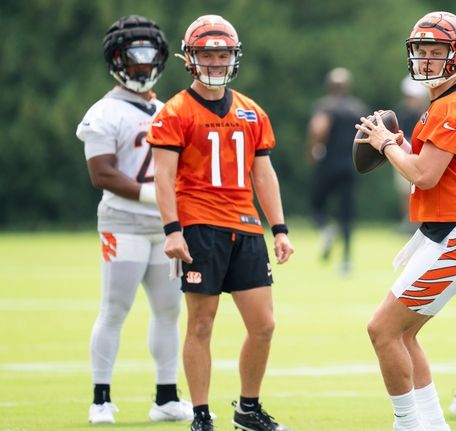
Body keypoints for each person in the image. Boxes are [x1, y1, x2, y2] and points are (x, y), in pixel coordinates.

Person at [148, 15, 294, 431]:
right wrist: (172, 230)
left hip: (245, 225)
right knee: (200, 322)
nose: (215, 61)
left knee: (264, 325)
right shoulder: (175, 112)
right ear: (190, 58)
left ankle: (248, 408)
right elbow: (163, 176)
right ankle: (199, 414)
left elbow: (263, 173)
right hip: (198, 226)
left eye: (222, 54)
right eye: (207, 54)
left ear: (234, 56)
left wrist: (279, 229)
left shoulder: (252, 111)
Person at [355, 11, 456, 431]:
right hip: (446, 234)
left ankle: (408, 424)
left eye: (437, 52)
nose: (427, 60)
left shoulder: (453, 104)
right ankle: (431, 424)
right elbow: (427, 167)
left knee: (382, 330)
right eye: (422, 51)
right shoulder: (444, 104)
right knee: (401, 334)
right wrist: (399, 144)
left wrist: (385, 144)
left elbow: (423, 174)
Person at [76, 15, 194, 424]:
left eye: (148, 56)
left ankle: (165, 396)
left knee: (168, 311)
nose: (142, 65)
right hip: (123, 221)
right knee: (115, 308)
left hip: (166, 227)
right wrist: (156, 196)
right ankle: (101, 398)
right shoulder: (104, 112)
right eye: (134, 56)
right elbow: (102, 173)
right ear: (116, 59)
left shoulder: (167, 110)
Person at [307, 67, 368, 274]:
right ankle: (346, 260)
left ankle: (325, 229)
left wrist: (314, 150)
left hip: (329, 164)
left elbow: (319, 128)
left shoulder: (325, 106)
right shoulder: (357, 108)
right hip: (351, 166)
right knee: (347, 214)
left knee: (317, 204)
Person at [393, 76, 428, 234]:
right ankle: (409, 219)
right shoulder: (401, 113)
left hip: (422, 153)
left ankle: (419, 220)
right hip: (404, 151)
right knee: (404, 190)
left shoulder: (427, 112)